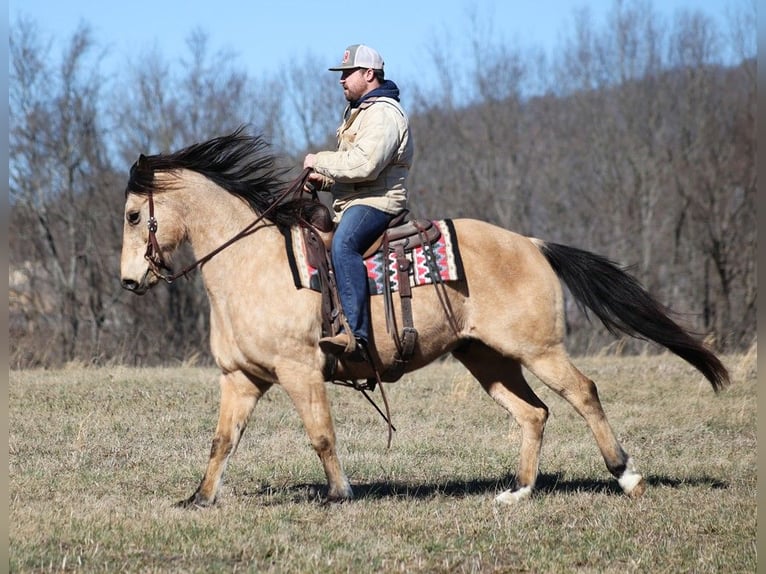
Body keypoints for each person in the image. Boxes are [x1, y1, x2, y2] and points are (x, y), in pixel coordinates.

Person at [303, 44, 414, 358]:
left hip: (378, 203)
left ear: (369, 74)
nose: (341, 80)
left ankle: (356, 335)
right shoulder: (361, 112)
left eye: (348, 73)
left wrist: (319, 161)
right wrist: (321, 180)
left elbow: (366, 164)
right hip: (356, 201)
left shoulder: (384, 113)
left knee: (343, 245)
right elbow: (349, 169)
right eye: (341, 74)